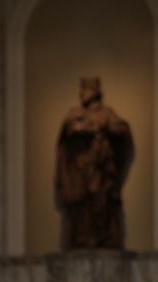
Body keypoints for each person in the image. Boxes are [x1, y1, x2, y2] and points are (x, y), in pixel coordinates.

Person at [55, 76, 134, 249]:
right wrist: (88, 128)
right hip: (80, 171)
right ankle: (82, 239)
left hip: (101, 169)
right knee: (81, 205)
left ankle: (103, 238)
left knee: (101, 201)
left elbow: (122, 130)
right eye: (82, 90)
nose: (82, 94)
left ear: (94, 92)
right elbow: (68, 131)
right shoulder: (75, 114)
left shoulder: (107, 114)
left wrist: (106, 127)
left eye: (85, 90)